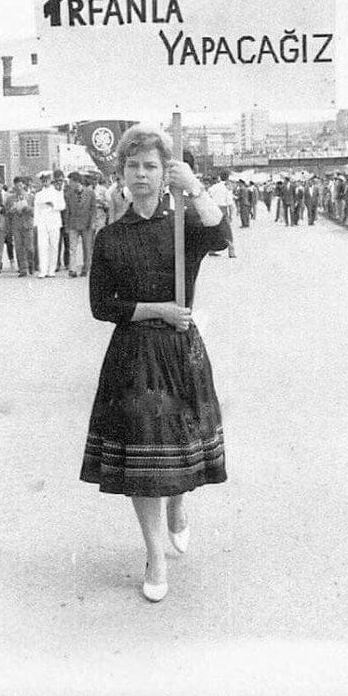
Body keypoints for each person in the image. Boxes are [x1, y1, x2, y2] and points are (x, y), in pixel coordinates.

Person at [80, 124, 228, 602]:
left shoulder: (182, 226)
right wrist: (156, 309)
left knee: (177, 447)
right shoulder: (111, 238)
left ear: (166, 174)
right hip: (134, 355)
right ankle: (155, 555)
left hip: (181, 351)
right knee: (145, 459)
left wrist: (196, 188)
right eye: (132, 165)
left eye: (150, 166)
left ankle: (178, 505)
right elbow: (102, 306)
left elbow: (221, 235)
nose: (140, 174)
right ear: (121, 173)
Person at [33, 173, 65, 278]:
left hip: (54, 221)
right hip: (42, 222)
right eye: (43, 180)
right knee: (42, 246)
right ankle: (43, 270)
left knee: (54, 246)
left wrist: (53, 205)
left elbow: (62, 206)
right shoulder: (38, 194)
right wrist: (36, 223)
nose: (45, 182)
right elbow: (36, 210)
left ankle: (52, 270)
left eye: (46, 180)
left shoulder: (57, 192)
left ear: (50, 180)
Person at [64, 171, 95, 277]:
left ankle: (86, 268)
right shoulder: (68, 194)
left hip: (87, 224)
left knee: (87, 247)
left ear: (76, 181)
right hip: (73, 224)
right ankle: (72, 269)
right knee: (72, 247)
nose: (69, 184)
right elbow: (67, 211)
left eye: (71, 182)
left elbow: (93, 209)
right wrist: (66, 225)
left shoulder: (90, 193)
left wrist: (92, 223)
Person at [5, 177, 35, 277]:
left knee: (29, 247)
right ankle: (23, 268)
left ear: (24, 185)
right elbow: (6, 213)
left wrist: (28, 208)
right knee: (19, 248)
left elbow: (35, 211)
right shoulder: (10, 199)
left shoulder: (30, 197)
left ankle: (31, 264)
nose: (18, 188)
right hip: (16, 225)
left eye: (20, 185)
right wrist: (11, 211)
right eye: (16, 185)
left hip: (28, 225)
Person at [207, 169, 236, 257]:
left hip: (213, 209)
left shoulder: (213, 187)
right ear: (228, 177)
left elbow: (208, 199)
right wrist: (231, 215)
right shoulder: (227, 188)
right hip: (223, 210)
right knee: (227, 230)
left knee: (213, 229)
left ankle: (211, 249)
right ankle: (231, 250)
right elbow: (230, 203)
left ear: (220, 177)